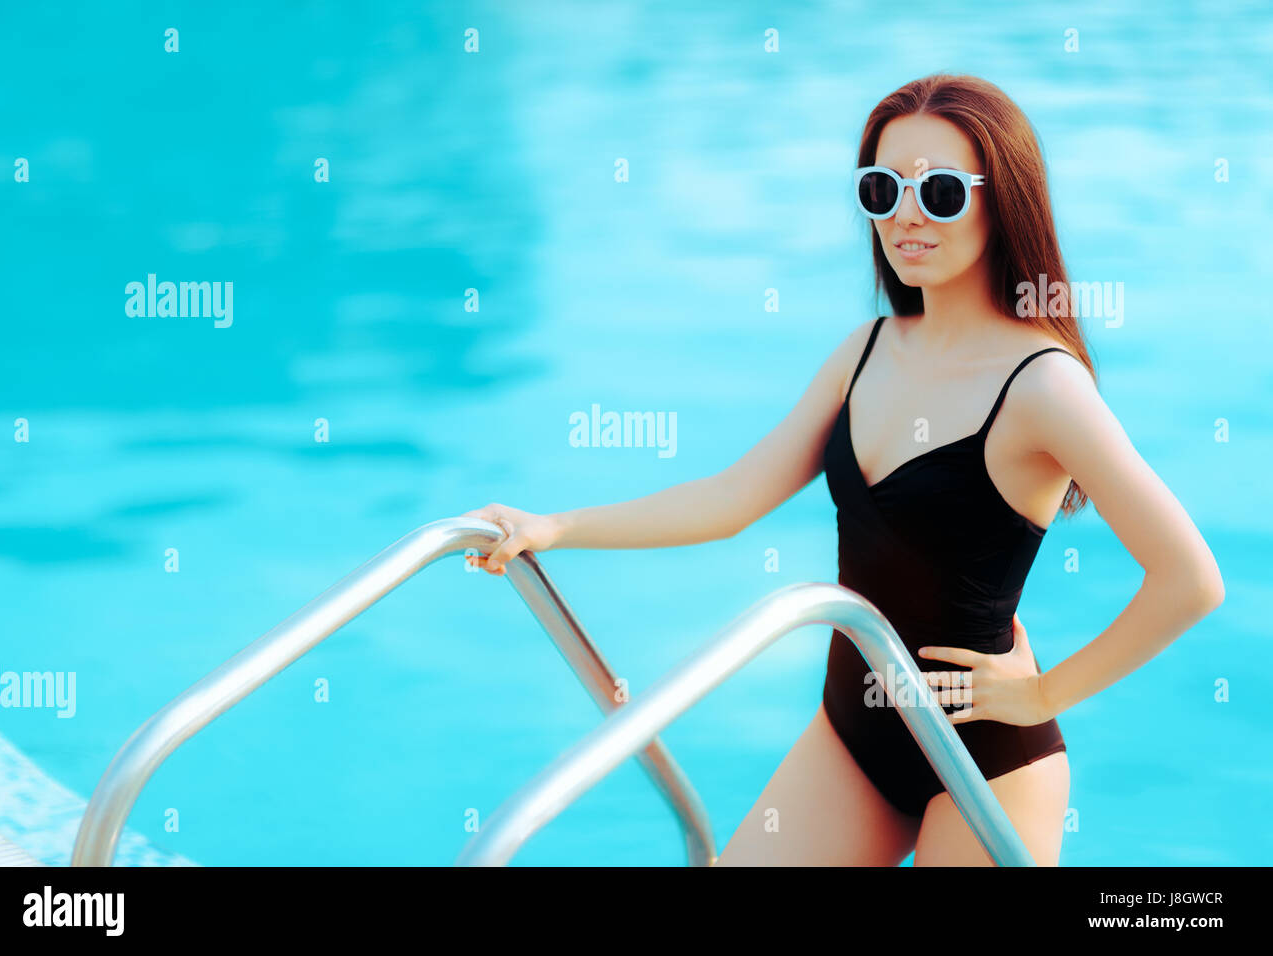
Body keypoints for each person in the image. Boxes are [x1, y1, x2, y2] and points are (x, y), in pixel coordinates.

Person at [463, 74, 1224, 866]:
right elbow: (731, 498)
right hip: (852, 737)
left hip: (985, 761)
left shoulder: (1042, 384)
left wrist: (1043, 693)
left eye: (938, 191)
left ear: (1004, 203)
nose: (906, 214)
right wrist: (552, 528)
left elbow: (1190, 579)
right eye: (881, 188)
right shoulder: (866, 351)